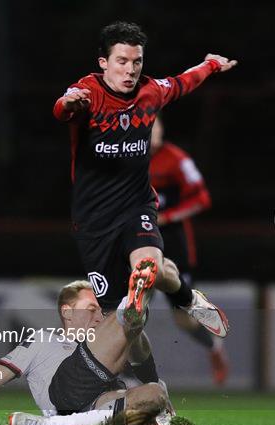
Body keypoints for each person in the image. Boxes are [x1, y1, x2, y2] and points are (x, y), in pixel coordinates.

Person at [53, 22, 235, 339]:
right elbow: (62, 108)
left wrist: (211, 65)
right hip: (94, 219)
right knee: (121, 317)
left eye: (136, 62)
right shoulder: (88, 93)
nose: (131, 70)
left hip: (136, 205)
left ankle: (148, 300)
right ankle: (186, 301)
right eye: (122, 61)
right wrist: (69, 105)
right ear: (103, 63)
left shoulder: (150, 92)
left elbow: (183, 82)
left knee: (147, 267)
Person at [0, 272, 173, 425]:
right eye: (91, 309)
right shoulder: (42, 340)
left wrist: (154, 389)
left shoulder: (100, 347)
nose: (98, 316)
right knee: (129, 320)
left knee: (154, 395)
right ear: (67, 312)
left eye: (99, 310)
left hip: (94, 404)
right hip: (65, 391)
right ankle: (137, 293)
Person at [150, 116, 228, 385]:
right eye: (147, 126)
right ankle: (126, 376)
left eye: (156, 125)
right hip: (138, 243)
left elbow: (202, 198)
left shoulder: (177, 159)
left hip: (174, 246)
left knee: (183, 319)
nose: (152, 131)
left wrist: (168, 217)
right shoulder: (127, 159)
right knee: (129, 312)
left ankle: (214, 347)